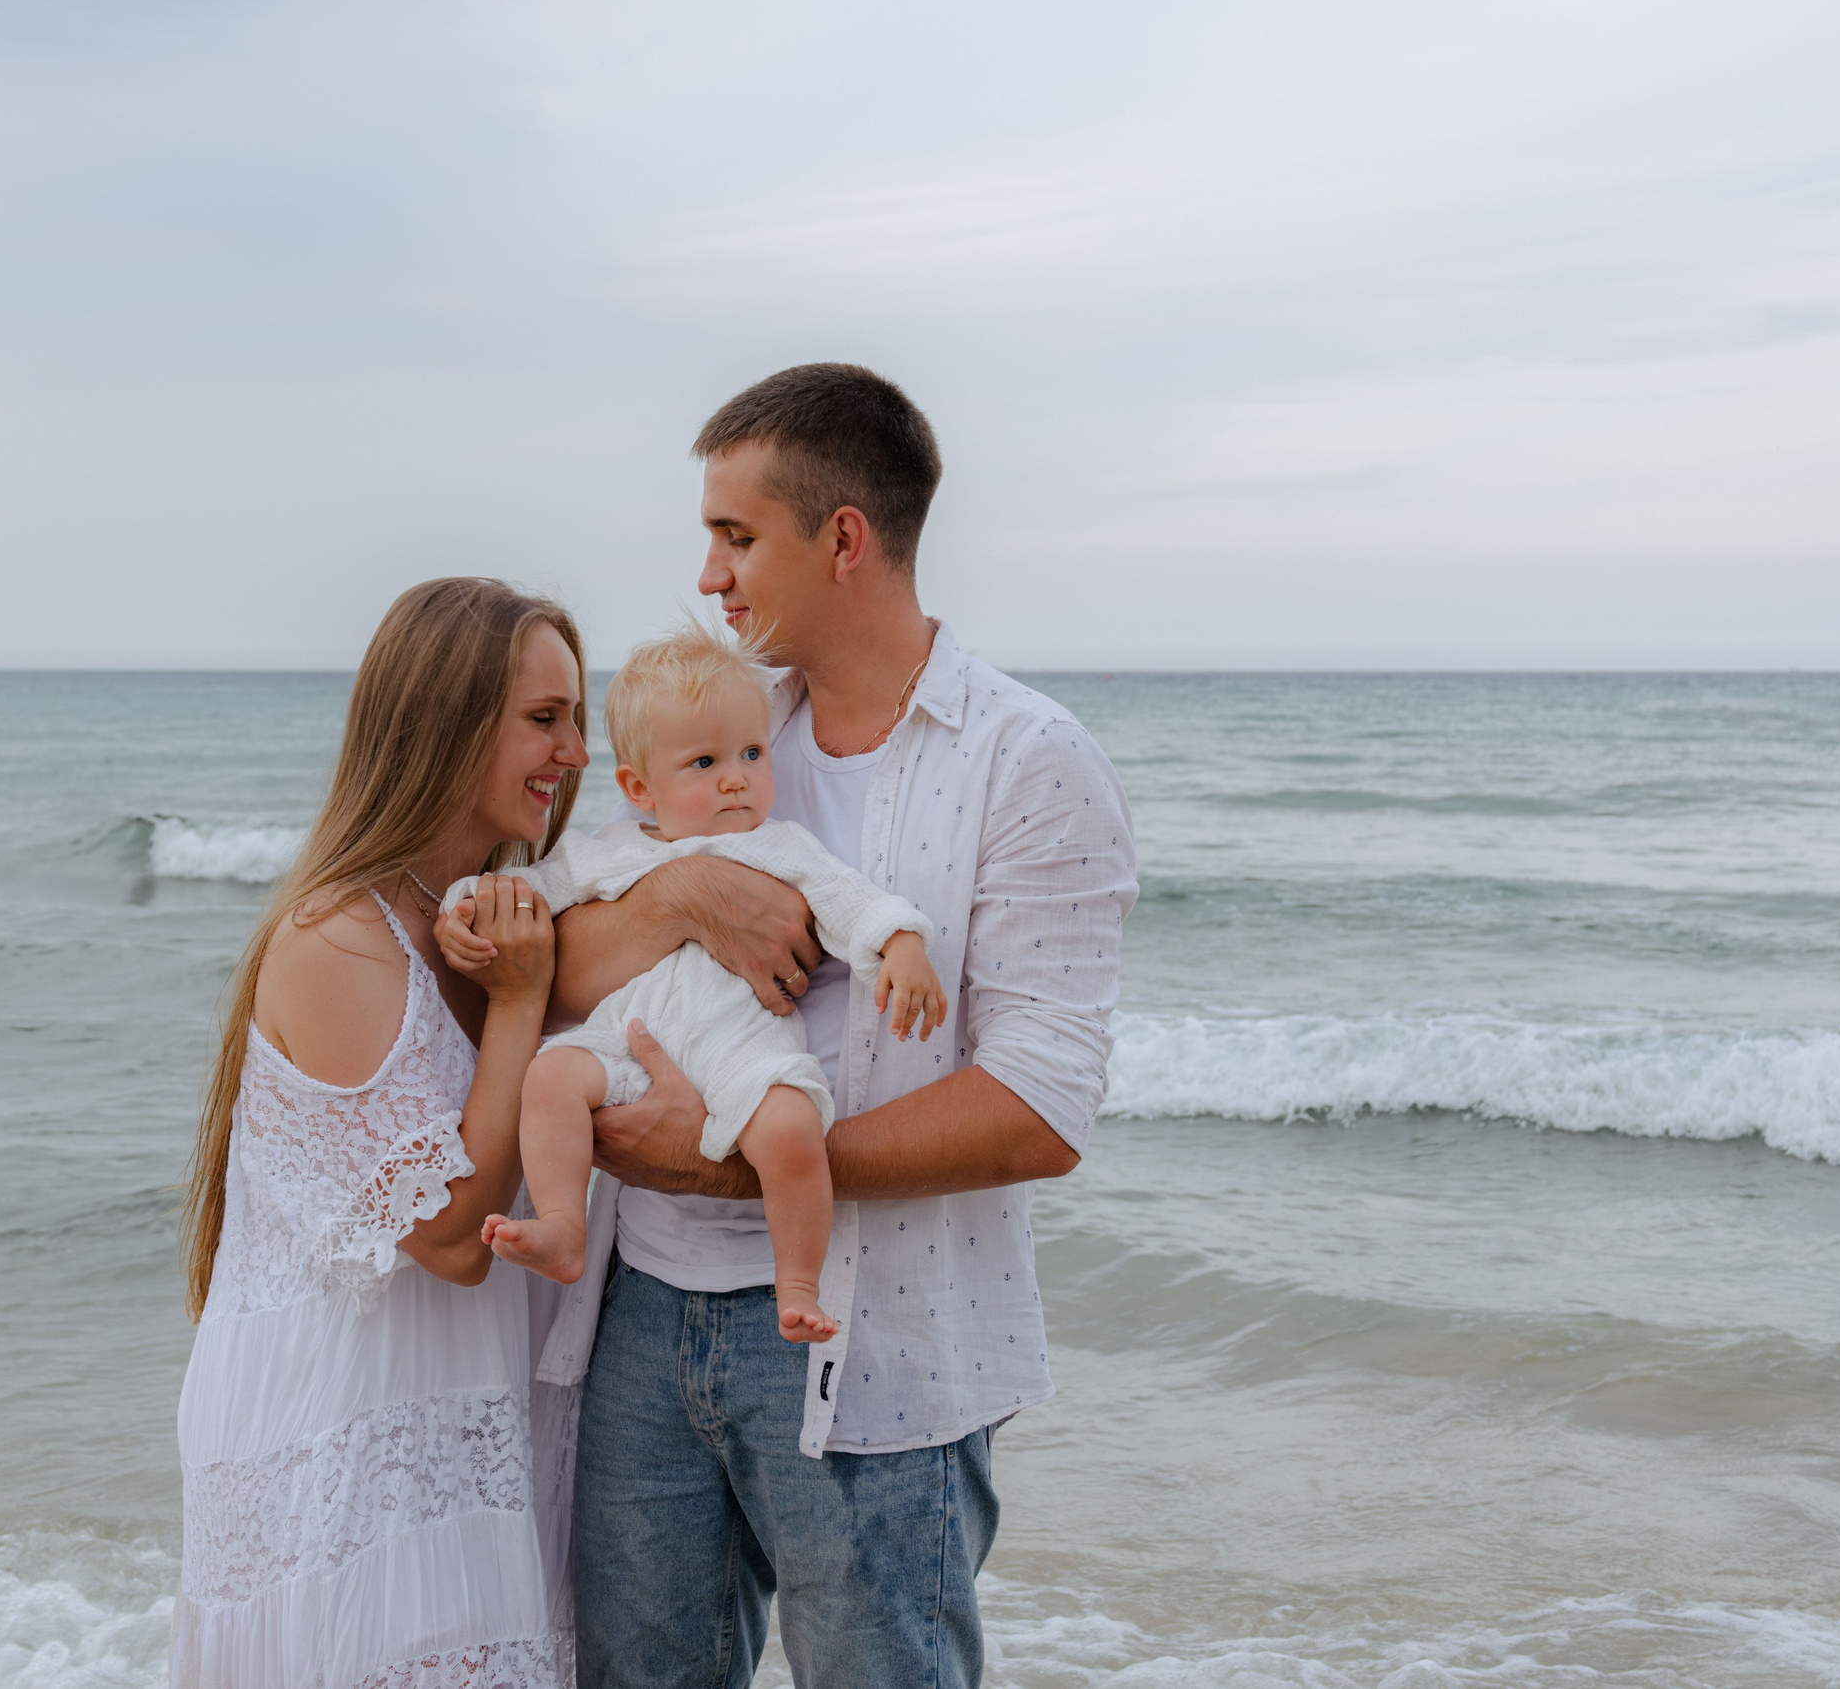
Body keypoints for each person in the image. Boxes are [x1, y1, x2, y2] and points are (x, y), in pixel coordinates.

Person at [551, 365, 1139, 1689]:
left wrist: (742, 1165)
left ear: (843, 539)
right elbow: (557, 962)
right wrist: (687, 890)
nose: (709, 573)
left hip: (877, 1343)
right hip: (645, 1319)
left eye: (736, 534)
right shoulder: (726, 730)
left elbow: (1041, 1107)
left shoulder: (1026, 758)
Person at [172, 577, 589, 1689]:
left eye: (578, 718)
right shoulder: (336, 937)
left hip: (463, 1425)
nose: (577, 752)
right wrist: (518, 1004)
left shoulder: (473, 916)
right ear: (447, 723)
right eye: (544, 719)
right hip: (355, 1437)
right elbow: (452, 1238)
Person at [433, 622, 948, 1343]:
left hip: (742, 1046)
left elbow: (849, 899)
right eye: (704, 761)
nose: (736, 776)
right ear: (640, 787)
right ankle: (561, 1224)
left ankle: (798, 1280)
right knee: (549, 1078)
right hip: (630, 1040)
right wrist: (466, 906)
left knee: (795, 1126)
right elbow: (525, 888)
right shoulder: (606, 852)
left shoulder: (781, 846)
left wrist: (901, 945)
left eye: (752, 752)